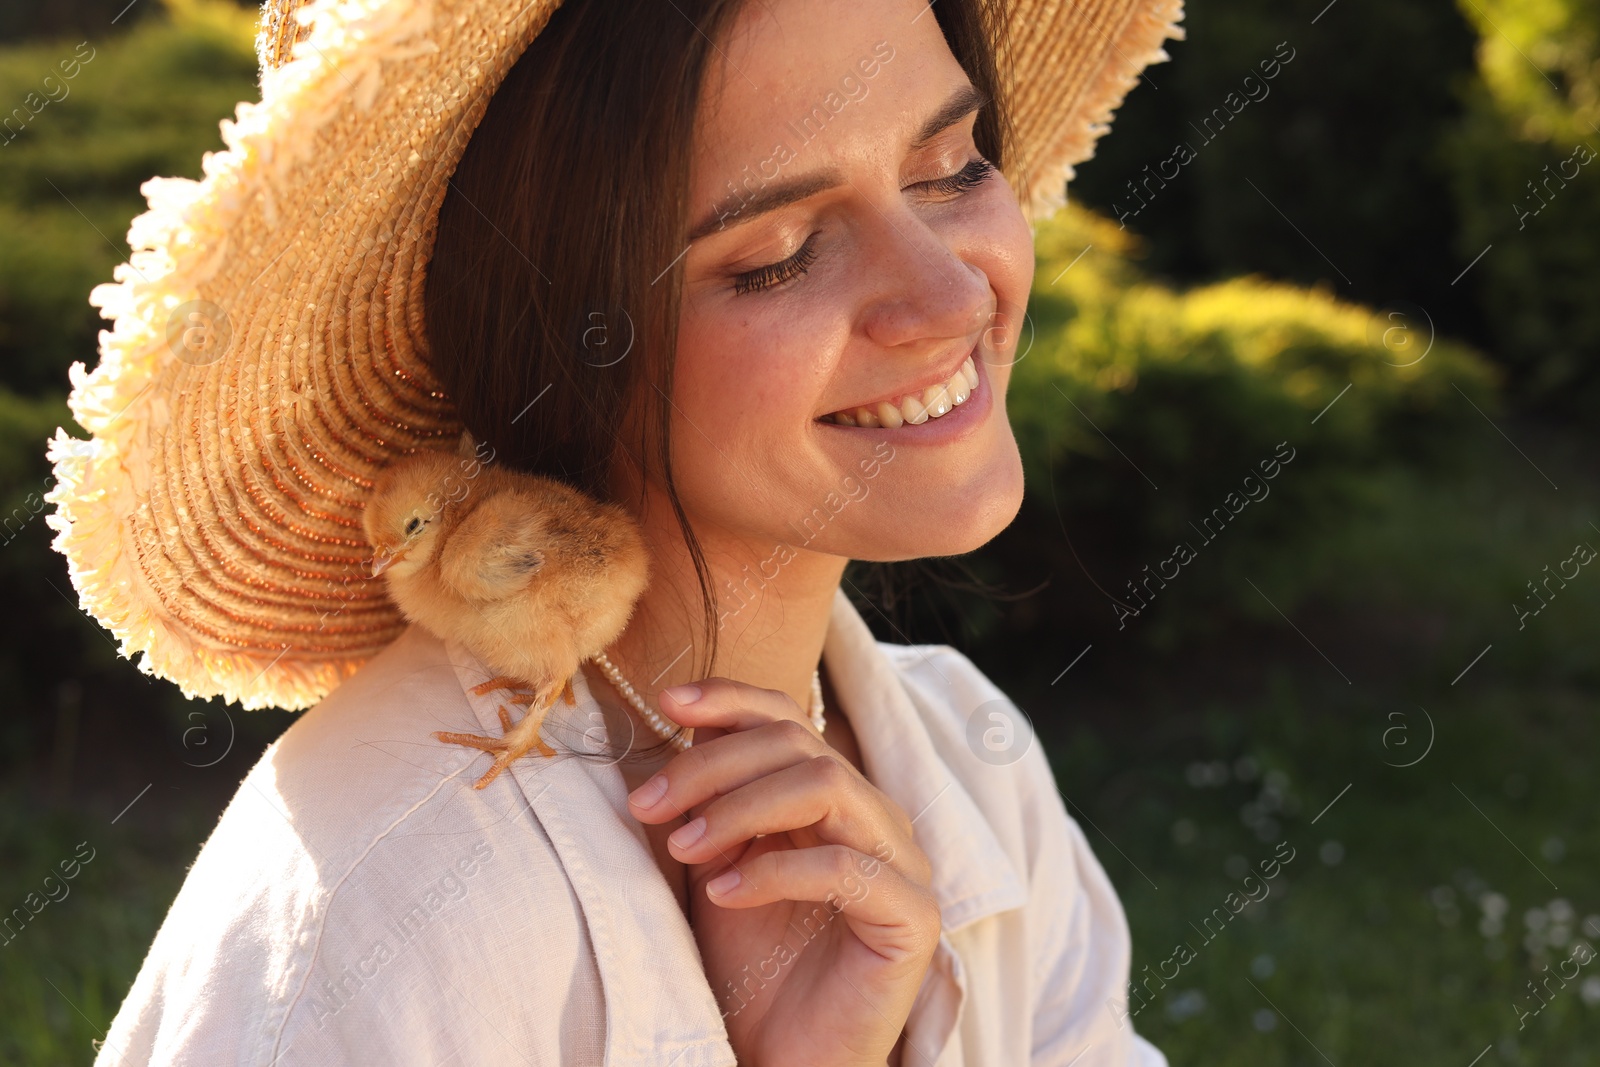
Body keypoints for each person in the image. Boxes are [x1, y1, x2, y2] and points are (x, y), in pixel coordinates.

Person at [47, 0, 1184, 1062]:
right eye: (777, 252)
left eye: (951, 166)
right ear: (566, 348)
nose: (950, 297)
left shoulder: (967, 757)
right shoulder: (392, 900)